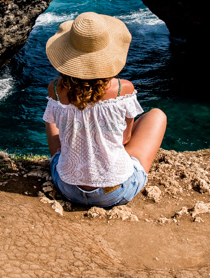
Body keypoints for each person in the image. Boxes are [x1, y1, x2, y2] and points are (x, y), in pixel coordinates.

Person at [43, 12, 167, 208]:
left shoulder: (55, 89)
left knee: (51, 119)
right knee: (157, 115)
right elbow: (125, 139)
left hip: (68, 188)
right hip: (115, 191)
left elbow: (53, 136)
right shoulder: (122, 89)